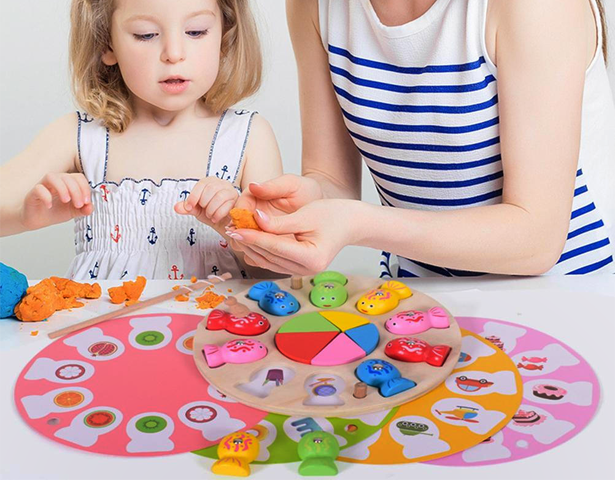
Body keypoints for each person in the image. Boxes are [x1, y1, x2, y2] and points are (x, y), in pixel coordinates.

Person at [227, 0, 615, 277]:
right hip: (423, 295)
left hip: (567, 293)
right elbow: (332, 180)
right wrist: (298, 209)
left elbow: (537, 239)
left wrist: (362, 223)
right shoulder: (314, 6)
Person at [0, 0, 282, 281]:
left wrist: (234, 229)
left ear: (225, 36)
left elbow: (276, 274)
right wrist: (24, 216)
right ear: (106, 44)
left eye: (196, 31)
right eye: (146, 34)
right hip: (104, 324)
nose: (174, 53)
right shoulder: (78, 135)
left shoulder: (249, 137)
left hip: (213, 323)